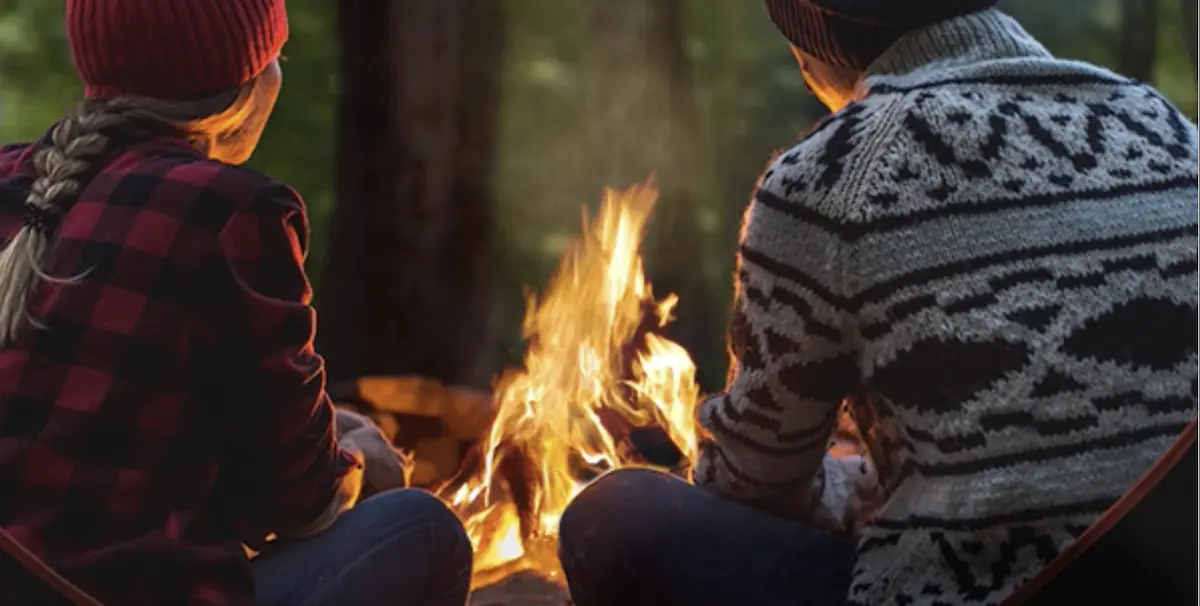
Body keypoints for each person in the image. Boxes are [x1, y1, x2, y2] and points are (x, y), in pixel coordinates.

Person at [557, 1, 1199, 605]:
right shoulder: (1165, 125)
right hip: (1177, 579)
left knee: (617, 518)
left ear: (813, 48)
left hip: (992, 590)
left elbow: (752, 481)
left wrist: (837, 484)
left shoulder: (832, 173)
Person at [0, 1, 472, 605]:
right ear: (250, 82)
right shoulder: (233, 210)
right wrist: (359, 459)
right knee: (423, 530)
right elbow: (296, 502)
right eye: (275, 54)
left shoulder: (17, 179)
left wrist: (329, 431)